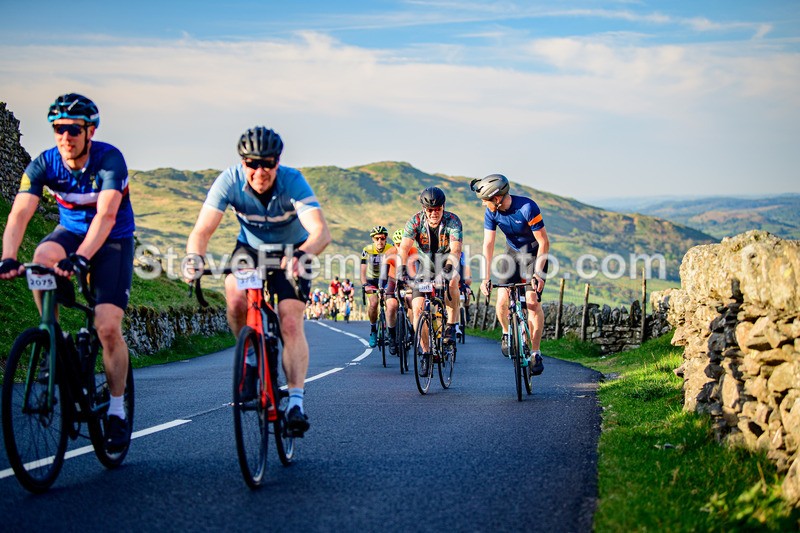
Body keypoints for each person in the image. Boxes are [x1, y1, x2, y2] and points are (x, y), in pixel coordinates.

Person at [0, 93, 135, 452]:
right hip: (71, 233)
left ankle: (118, 412)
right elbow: (19, 214)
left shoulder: (109, 161)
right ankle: (51, 340)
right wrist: (8, 256)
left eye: (73, 129)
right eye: (58, 129)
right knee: (42, 256)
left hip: (113, 242)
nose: (65, 137)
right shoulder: (44, 164)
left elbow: (106, 217)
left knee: (106, 326)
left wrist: (82, 259)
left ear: (89, 130)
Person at [185, 125, 331, 436]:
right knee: (235, 297)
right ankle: (251, 354)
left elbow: (321, 232)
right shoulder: (229, 181)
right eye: (252, 163)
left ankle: (295, 401)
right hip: (250, 249)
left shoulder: (292, 181)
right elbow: (201, 231)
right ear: (243, 164)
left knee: (290, 321)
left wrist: (301, 256)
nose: (260, 171)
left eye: (267, 163)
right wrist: (194, 258)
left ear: (278, 162)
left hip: (293, 250)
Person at [471, 173, 549, 375]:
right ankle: (506, 333)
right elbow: (488, 244)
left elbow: (543, 242)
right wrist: (485, 278)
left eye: (485, 201)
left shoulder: (527, 208)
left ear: (497, 198)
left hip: (533, 254)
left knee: (532, 302)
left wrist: (538, 274)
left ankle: (535, 352)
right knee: (502, 299)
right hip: (512, 254)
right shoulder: (492, 213)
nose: (483, 205)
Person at [397, 186, 462, 355]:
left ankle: (451, 326)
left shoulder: (452, 220)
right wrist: (402, 270)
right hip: (425, 269)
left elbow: (455, 250)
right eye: (430, 210)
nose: (434, 213)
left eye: (438, 209)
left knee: (454, 279)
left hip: (447, 263)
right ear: (424, 209)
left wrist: (447, 270)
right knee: (417, 309)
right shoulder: (415, 221)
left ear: (443, 206)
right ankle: (426, 352)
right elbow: (404, 247)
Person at [360, 225, 397, 348]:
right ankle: (373, 330)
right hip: (371, 280)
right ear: (373, 239)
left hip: (387, 279)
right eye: (377, 239)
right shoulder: (368, 249)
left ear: (386, 238)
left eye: (382, 238)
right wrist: (365, 284)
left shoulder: (390, 248)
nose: (380, 241)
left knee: (390, 303)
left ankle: (390, 330)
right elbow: (363, 270)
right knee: (374, 303)